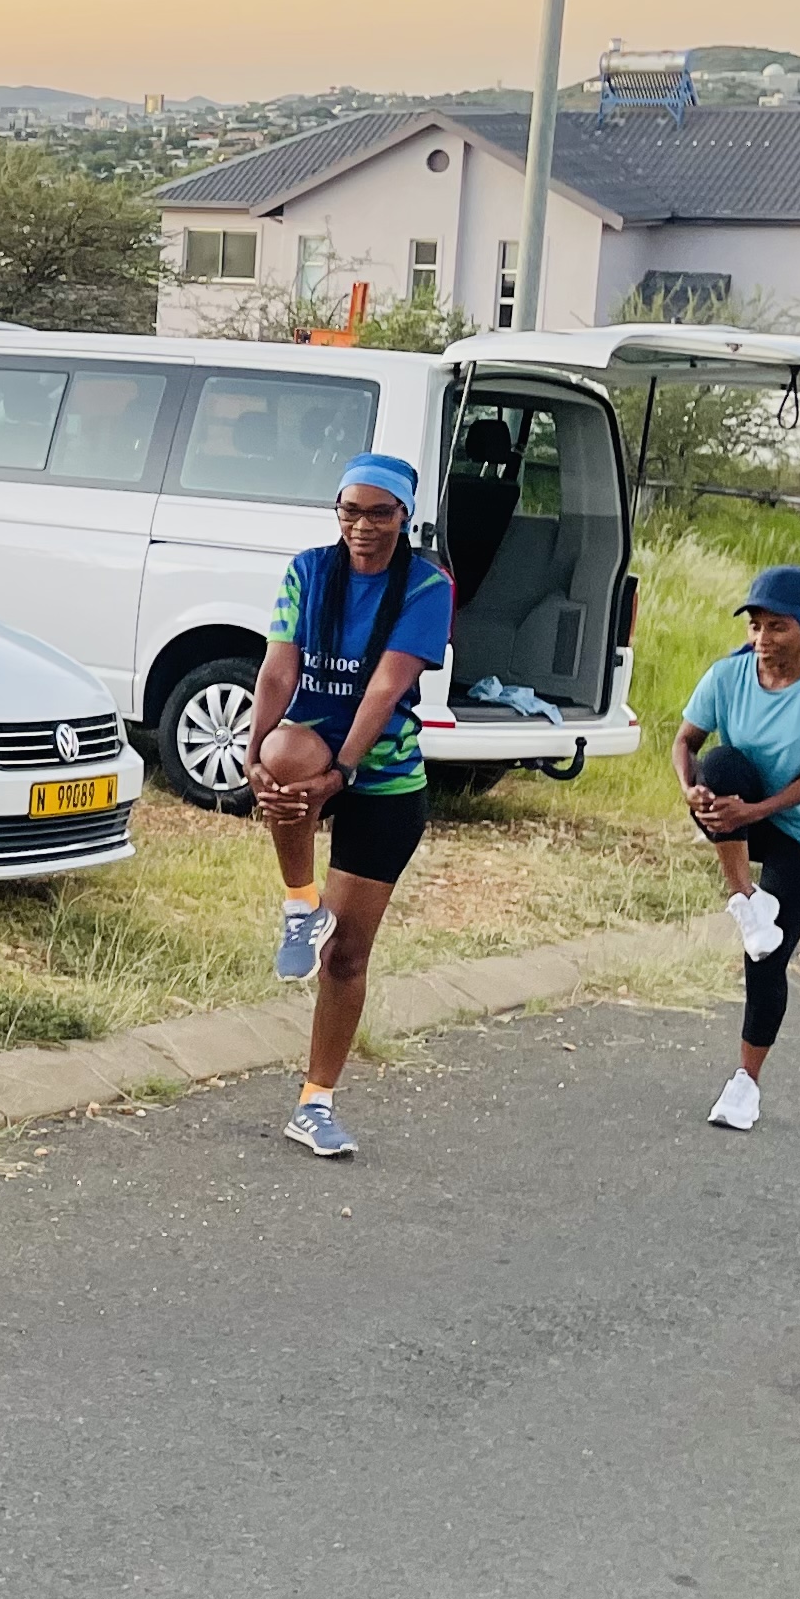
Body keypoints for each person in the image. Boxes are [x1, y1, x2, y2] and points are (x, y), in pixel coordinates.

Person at [246, 452, 457, 1160]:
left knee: (346, 957)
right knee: (281, 758)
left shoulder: (427, 585)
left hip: (385, 774)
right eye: (350, 511)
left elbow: (385, 688)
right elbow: (279, 666)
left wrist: (345, 770)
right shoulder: (309, 569)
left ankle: (315, 1102)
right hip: (311, 749)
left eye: (379, 513)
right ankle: (299, 903)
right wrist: (251, 749)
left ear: (405, 517)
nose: (362, 527)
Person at [673, 564, 800, 1134]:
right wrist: (692, 791)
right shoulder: (728, 675)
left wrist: (752, 813)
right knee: (721, 763)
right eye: (755, 625)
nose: (762, 639)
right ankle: (745, 899)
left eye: (776, 626)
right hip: (739, 812)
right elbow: (686, 742)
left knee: (766, 959)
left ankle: (745, 1084)